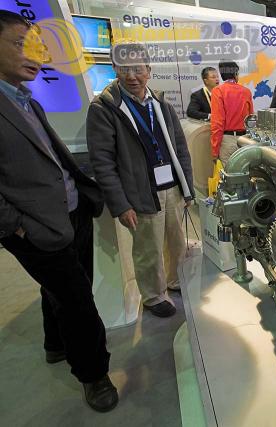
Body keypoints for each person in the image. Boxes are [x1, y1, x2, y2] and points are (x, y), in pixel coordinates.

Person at [0, 10, 117, 412]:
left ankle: (56, 344)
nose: (34, 54)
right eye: (21, 44)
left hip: (72, 213)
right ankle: (94, 375)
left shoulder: (26, 101)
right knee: (79, 301)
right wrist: (17, 227)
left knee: (64, 291)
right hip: (35, 227)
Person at [87, 41, 194, 318]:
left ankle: (175, 280)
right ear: (115, 69)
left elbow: (180, 147)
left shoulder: (160, 102)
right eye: (124, 69)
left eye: (138, 69)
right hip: (141, 190)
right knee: (149, 247)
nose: (132, 76)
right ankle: (153, 295)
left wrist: (187, 187)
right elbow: (102, 163)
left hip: (171, 186)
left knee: (176, 240)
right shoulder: (104, 108)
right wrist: (120, 205)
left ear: (149, 69)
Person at [210, 61, 254, 166]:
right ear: (235, 74)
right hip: (245, 140)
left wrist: (215, 150)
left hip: (227, 142)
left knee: (228, 174)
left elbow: (217, 123)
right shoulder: (246, 91)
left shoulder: (218, 91)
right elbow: (251, 120)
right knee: (245, 172)